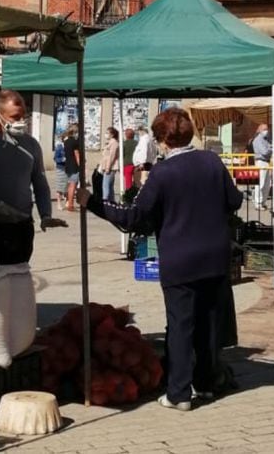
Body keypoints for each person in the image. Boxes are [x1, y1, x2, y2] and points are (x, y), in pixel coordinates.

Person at [77, 107, 243, 411]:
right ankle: (205, 384)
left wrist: (94, 205)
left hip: (181, 259)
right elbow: (235, 200)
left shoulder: (163, 173)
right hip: (215, 256)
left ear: (163, 140)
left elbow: (134, 218)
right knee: (207, 321)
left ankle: (179, 393)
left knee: (181, 325)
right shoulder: (211, 161)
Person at [0, 90, 68, 267]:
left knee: (15, 286)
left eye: (23, 116)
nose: (21, 122)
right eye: (15, 117)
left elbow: (40, 184)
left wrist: (45, 214)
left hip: (20, 230)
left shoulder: (32, 145)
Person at [250, 123, 272, 208]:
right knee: (260, 183)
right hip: (260, 162)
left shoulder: (266, 139)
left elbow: (268, 150)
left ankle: (263, 202)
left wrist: (269, 149)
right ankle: (258, 202)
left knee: (267, 184)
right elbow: (264, 152)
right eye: (264, 129)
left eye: (267, 129)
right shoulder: (257, 140)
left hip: (266, 162)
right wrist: (270, 149)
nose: (266, 131)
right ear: (260, 130)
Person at [61, 123, 82, 211]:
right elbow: (77, 155)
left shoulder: (66, 141)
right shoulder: (74, 142)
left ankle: (69, 203)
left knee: (70, 185)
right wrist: (81, 166)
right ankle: (71, 205)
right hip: (74, 166)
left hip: (68, 165)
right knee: (73, 185)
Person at [100, 126, 120, 202]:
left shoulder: (114, 143)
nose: (106, 134)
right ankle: (111, 201)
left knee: (106, 186)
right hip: (107, 166)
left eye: (107, 133)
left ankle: (105, 201)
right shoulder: (110, 142)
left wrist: (108, 167)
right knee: (110, 186)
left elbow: (112, 156)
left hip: (110, 167)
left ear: (112, 134)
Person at [121, 126, 137, 193]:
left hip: (127, 164)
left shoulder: (124, 143)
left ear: (126, 135)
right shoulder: (137, 143)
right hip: (136, 164)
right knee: (136, 181)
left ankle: (129, 196)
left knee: (128, 182)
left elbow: (122, 154)